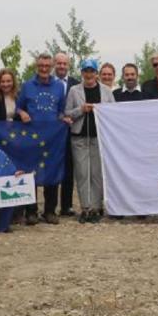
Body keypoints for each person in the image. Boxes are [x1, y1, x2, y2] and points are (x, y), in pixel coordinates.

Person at [17, 53, 69, 224]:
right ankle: (31, 211)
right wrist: (22, 112)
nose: (44, 69)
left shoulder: (59, 86)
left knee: (51, 172)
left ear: (52, 66)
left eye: (47, 66)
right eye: (41, 66)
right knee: (31, 173)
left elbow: (61, 109)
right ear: (36, 67)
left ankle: (49, 211)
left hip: (52, 137)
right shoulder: (27, 86)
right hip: (31, 137)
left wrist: (63, 118)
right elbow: (18, 107)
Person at [64, 59, 116, 223]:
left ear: (96, 73)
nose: (88, 74)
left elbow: (114, 112)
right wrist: (81, 109)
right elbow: (67, 113)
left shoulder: (107, 91)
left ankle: (96, 207)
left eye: (91, 71)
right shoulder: (74, 90)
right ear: (82, 73)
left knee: (97, 173)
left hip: (99, 137)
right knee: (82, 173)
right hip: (79, 136)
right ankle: (85, 207)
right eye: (85, 71)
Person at [53, 51, 79, 218]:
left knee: (69, 169)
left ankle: (66, 206)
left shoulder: (76, 84)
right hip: (53, 132)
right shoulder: (47, 83)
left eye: (65, 64)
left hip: (71, 131)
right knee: (54, 168)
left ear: (69, 65)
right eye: (59, 63)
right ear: (54, 65)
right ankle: (51, 207)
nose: (62, 66)